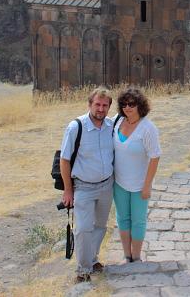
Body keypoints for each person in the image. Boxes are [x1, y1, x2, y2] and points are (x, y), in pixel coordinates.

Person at [59, 87, 116, 283]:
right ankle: (82, 270)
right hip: (83, 187)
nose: (101, 108)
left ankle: (92, 260)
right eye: (97, 104)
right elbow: (65, 160)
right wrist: (68, 190)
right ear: (90, 104)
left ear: (109, 107)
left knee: (100, 226)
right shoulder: (76, 127)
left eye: (105, 105)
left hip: (106, 186)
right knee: (83, 229)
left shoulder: (110, 126)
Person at [112, 87, 161, 262]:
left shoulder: (148, 128)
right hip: (119, 183)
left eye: (131, 104)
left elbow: (155, 157)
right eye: (124, 104)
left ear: (140, 105)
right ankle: (127, 256)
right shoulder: (117, 122)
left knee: (138, 221)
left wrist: (147, 186)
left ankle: (137, 256)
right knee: (122, 219)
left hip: (140, 184)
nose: (127, 107)